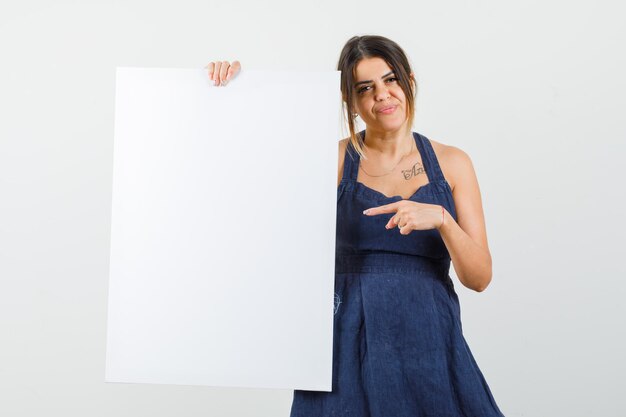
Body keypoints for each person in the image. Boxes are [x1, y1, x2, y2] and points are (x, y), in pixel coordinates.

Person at [206, 35, 505, 417]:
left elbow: (479, 278)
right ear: (351, 100)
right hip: (345, 341)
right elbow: (248, 192)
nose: (382, 95)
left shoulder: (452, 163)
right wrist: (230, 94)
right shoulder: (328, 160)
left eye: (390, 79)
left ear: (409, 81)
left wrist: (442, 220)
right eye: (366, 88)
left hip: (428, 341)